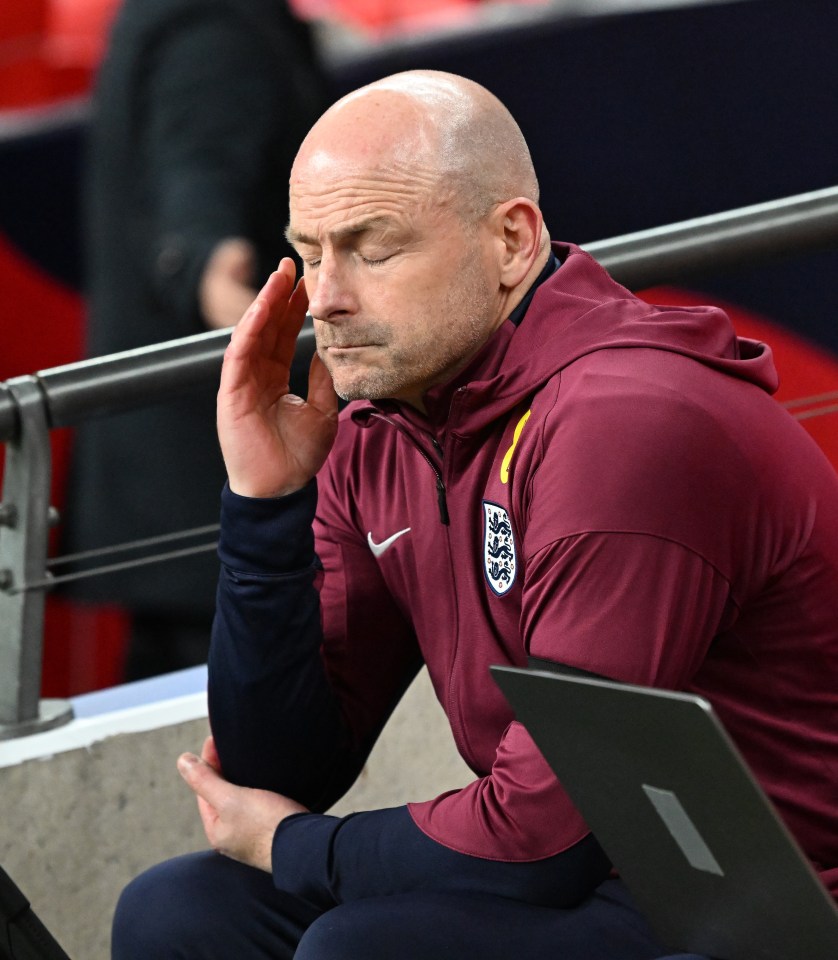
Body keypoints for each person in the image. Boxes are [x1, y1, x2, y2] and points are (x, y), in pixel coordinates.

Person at [113, 70, 838, 958]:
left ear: (510, 241)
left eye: (372, 249)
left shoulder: (624, 423)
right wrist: (264, 507)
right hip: (599, 880)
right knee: (181, 913)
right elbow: (286, 768)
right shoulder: (384, 421)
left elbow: (549, 837)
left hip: (766, 905)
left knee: (363, 949)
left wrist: (292, 846)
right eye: (310, 253)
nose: (328, 298)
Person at [62, 0, 326, 679]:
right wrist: (218, 280)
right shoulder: (217, 29)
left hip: (180, 499)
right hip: (209, 494)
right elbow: (198, 189)